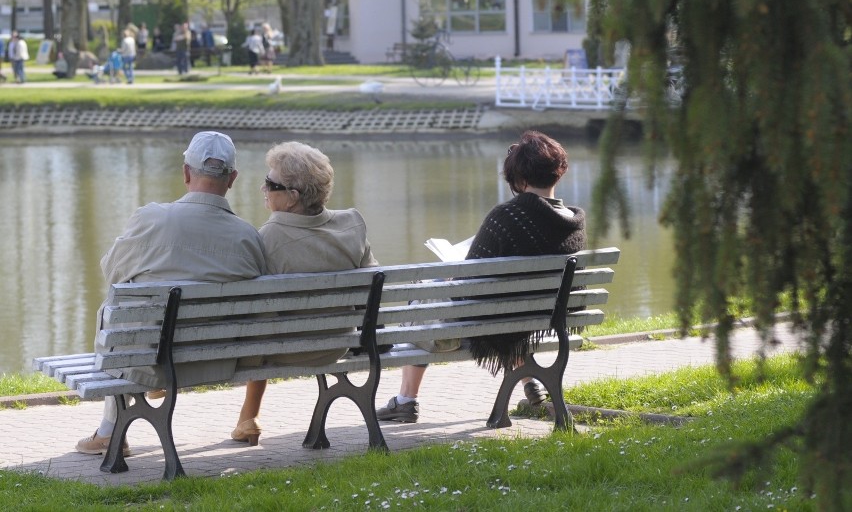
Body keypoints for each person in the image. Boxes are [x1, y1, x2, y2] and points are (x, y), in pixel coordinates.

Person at [75, 131, 268, 456]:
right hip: (219, 360)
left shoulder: (150, 219)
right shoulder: (248, 237)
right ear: (232, 178)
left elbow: (113, 274)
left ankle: (110, 431)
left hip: (150, 361)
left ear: (185, 172)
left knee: (116, 309)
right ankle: (111, 430)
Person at [376, 130, 587, 423]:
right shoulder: (574, 224)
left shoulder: (507, 217)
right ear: (557, 173)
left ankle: (405, 400)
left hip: (494, 320)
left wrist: (449, 282)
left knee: (424, 294)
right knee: (507, 300)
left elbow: (470, 282)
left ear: (520, 179)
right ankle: (529, 378)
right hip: (543, 318)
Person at [231, 141, 378, 445]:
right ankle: (248, 417)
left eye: (271, 184)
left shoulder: (267, 238)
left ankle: (248, 416)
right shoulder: (352, 224)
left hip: (288, 349)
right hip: (339, 342)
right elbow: (372, 285)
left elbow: (259, 314)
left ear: (292, 197)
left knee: (259, 325)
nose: (263, 188)